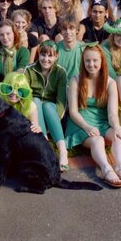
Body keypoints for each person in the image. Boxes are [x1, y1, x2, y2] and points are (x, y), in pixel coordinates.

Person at [65, 44, 121, 188]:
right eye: (87, 61)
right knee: (98, 140)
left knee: (118, 135)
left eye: (95, 61)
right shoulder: (76, 80)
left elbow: (112, 113)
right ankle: (106, 170)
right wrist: (86, 127)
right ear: (83, 62)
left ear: (102, 62)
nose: (91, 64)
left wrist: (117, 127)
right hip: (80, 122)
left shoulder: (110, 83)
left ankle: (120, 169)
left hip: (101, 120)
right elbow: (73, 112)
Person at [23, 40, 70, 171]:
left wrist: (55, 118)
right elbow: (25, 96)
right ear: (38, 54)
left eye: (50, 56)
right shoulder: (29, 70)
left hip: (53, 114)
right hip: (34, 115)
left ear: (56, 56)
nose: (46, 59)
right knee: (35, 101)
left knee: (48, 105)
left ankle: (62, 150)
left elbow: (61, 101)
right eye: (43, 55)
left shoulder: (60, 72)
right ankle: (44, 144)